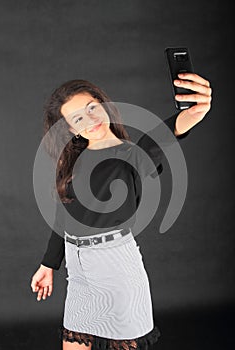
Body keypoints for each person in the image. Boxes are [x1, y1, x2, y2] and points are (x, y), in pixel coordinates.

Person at [31, 74, 212, 350]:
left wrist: (196, 109)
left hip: (116, 269)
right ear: (71, 131)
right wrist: (48, 264)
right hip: (78, 273)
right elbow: (63, 216)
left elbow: (166, 134)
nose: (90, 119)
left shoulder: (133, 155)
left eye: (92, 107)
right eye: (78, 118)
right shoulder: (72, 162)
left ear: (103, 104)